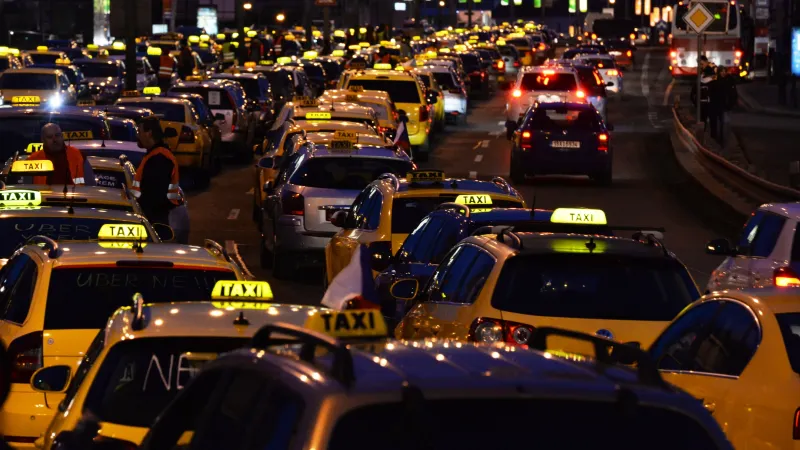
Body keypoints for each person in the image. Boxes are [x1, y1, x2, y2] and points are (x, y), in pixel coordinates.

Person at [131, 117, 181, 227]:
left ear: (149, 133)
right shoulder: (154, 155)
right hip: (159, 217)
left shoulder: (159, 158)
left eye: (140, 131)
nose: (137, 136)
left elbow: (154, 196)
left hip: (158, 220)